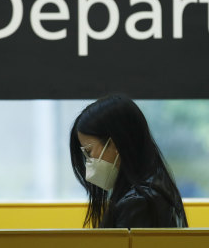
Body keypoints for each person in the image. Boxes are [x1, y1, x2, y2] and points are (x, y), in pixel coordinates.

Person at [69, 94, 188, 228]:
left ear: (115, 144)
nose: (88, 163)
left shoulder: (138, 203)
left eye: (89, 152)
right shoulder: (155, 187)